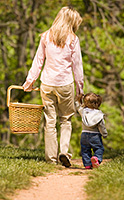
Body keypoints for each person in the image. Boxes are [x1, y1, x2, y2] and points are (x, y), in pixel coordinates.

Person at [23, 6, 84, 167]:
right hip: (65, 85)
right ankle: (64, 152)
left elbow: (38, 61)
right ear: (71, 22)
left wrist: (30, 81)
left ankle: (51, 159)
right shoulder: (73, 39)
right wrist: (80, 88)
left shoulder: (45, 36)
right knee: (66, 120)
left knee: (50, 121)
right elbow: (77, 66)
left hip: (47, 84)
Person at [75, 93, 108, 169]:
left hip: (84, 135)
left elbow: (78, 107)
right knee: (99, 148)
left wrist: (77, 100)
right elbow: (101, 126)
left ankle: (87, 164)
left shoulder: (83, 111)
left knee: (85, 150)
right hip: (95, 135)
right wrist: (104, 134)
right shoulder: (99, 114)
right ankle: (96, 159)